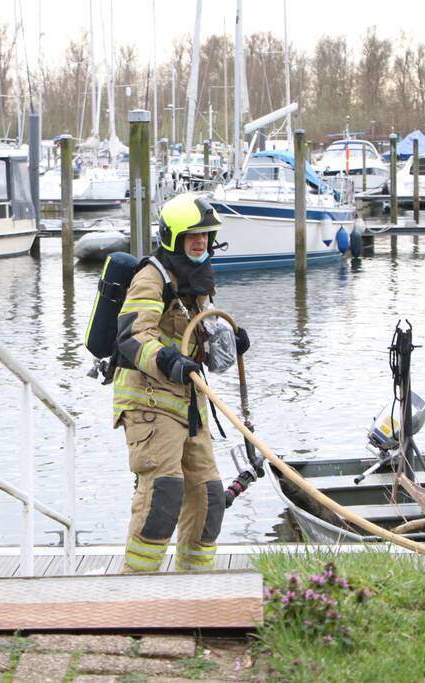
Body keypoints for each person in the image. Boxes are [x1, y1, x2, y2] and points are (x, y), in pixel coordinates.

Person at [113, 192, 249, 573]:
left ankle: (195, 583)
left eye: (206, 235)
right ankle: (136, 589)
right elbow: (132, 335)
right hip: (149, 403)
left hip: (188, 406)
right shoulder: (151, 277)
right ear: (173, 237)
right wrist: (166, 358)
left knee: (209, 498)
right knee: (163, 494)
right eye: (193, 235)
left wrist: (230, 344)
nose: (201, 241)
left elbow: (200, 343)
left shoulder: (198, 281)